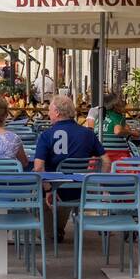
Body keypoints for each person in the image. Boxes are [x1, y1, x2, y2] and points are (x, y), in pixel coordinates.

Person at [33, 94, 108, 243]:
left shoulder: (46, 135)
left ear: (57, 112)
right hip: (79, 189)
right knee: (66, 188)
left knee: (36, 189)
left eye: (49, 110)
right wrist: (96, 183)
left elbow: (39, 167)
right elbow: (106, 161)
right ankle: (58, 229)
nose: (48, 114)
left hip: (55, 188)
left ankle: (49, 232)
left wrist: (49, 189)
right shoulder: (87, 134)